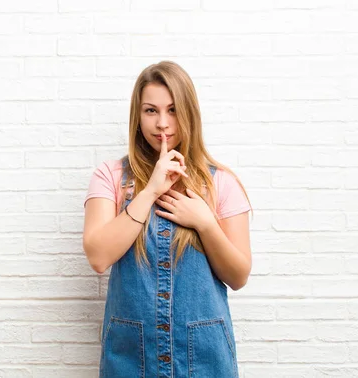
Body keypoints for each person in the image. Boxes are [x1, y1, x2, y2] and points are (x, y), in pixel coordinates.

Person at [82, 61, 252, 378]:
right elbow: (98, 256)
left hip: (204, 357)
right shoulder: (111, 177)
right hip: (131, 356)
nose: (162, 123)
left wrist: (204, 223)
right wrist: (149, 192)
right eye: (151, 111)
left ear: (189, 112)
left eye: (172, 110)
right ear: (137, 116)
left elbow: (239, 276)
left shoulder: (222, 182)